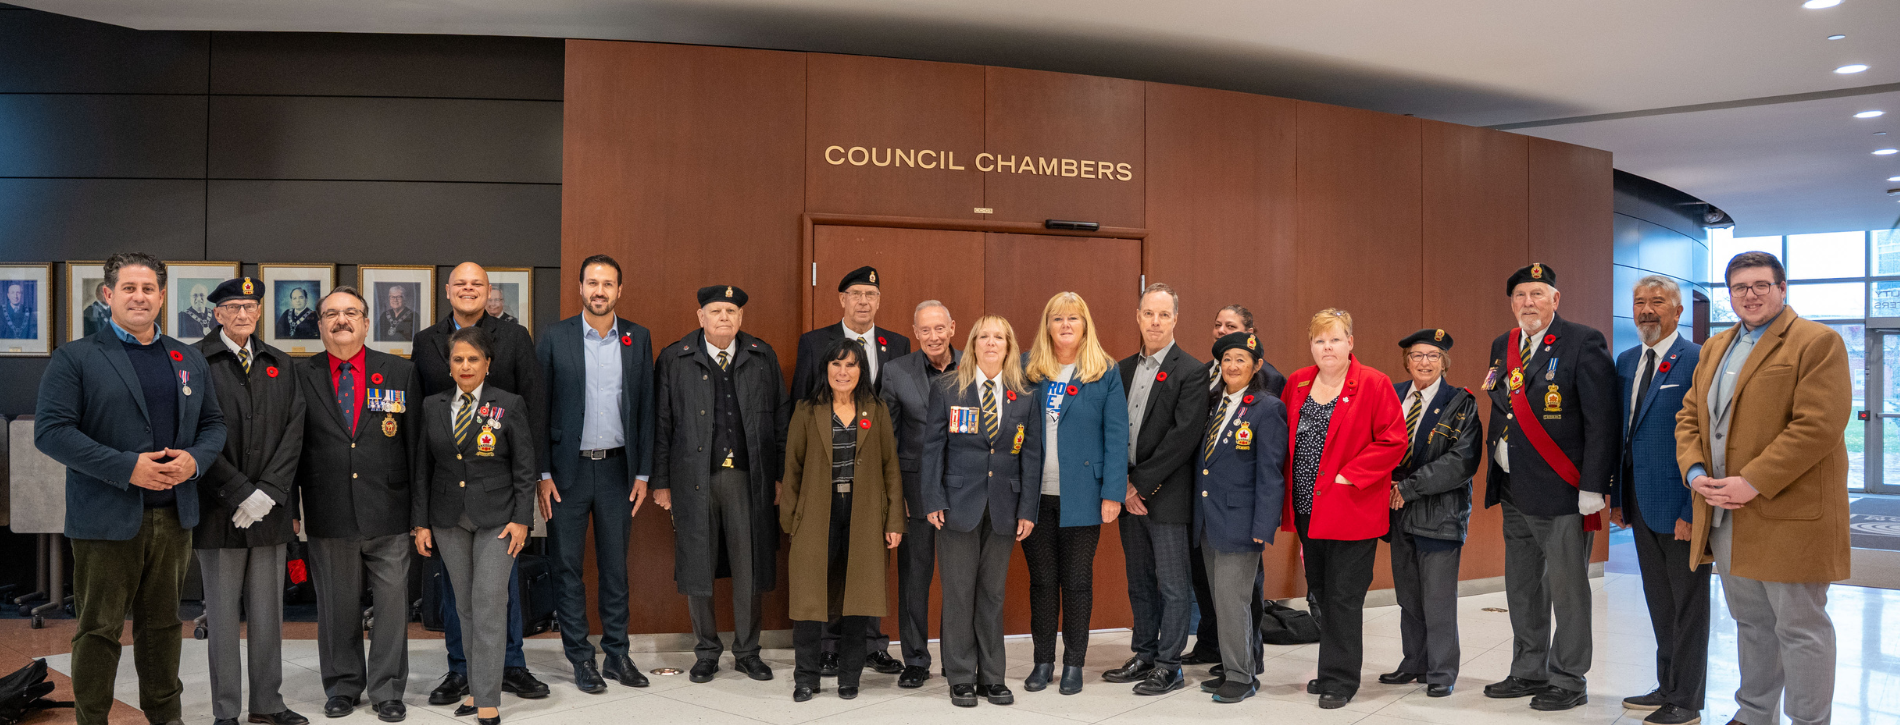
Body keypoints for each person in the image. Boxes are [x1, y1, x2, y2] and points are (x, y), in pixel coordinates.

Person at [34, 252, 226, 725]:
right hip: (105, 518)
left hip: (174, 516)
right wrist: (127, 468)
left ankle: (167, 718)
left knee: (163, 628)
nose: (139, 296)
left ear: (162, 297)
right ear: (108, 295)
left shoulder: (189, 358)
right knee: (98, 630)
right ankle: (92, 719)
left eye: (148, 289)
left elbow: (214, 425)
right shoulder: (76, 358)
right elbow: (52, 431)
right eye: (128, 288)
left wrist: (195, 460)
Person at [1678, 252, 1851, 725]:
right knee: (1752, 624)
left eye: (1760, 285)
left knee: (1800, 628)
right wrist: (1695, 473)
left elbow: (1817, 427)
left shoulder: (1817, 342)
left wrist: (1752, 482)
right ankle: (1753, 715)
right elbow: (1690, 417)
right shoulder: (1715, 347)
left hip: (1789, 516)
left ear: (1782, 288)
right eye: (1739, 288)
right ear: (1729, 294)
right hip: (1727, 515)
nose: (1749, 295)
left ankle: (1810, 721)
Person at [1479, 262, 1618, 712]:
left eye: (1538, 294)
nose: (1528, 303)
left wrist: (1594, 486)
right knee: (1522, 586)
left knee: (1567, 589)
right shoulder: (1505, 344)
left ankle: (1568, 677)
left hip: (1562, 490)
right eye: (1520, 296)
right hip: (1513, 488)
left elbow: (1602, 421)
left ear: (1555, 300)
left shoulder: (1583, 341)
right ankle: (1528, 669)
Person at [412, 262, 549, 704]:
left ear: (489, 292)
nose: (468, 290)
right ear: (448, 291)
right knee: (457, 593)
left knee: (497, 589)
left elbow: (533, 407)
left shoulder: (514, 337)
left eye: (477, 284)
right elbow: (421, 420)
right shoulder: (425, 341)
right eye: (461, 284)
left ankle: (508, 666)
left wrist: (536, 483)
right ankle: (461, 670)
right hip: (450, 493)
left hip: (499, 486)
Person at [294, 286, 422, 723]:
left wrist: (419, 515)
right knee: (336, 606)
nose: (341, 320)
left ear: (367, 323)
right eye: (331, 314)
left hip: (389, 509)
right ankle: (343, 686)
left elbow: (415, 448)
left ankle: (388, 689)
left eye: (351, 313)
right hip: (328, 509)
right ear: (320, 323)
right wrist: (292, 510)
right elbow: (291, 449)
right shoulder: (300, 375)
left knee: (391, 606)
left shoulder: (399, 372)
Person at [653, 285, 789, 683]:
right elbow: (662, 425)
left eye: (731, 310)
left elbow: (781, 422)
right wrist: (661, 482)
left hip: (749, 480)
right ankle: (707, 651)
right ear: (701, 317)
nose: (724, 317)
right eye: (716, 310)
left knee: (749, 566)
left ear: (741, 318)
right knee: (699, 564)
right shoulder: (675, 358)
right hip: (694, 479)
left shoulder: (762, 357)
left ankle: (748, 651)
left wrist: (779, 476)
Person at [533, 255, 655, 691]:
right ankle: (581, 659)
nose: (599, 291)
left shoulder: (637, 339)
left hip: (620, 469)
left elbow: (646, 408)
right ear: (580, 288)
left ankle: (617, 656)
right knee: (566, 567)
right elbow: (538, 407)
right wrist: (542, 473)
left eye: (607, 284)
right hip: (567, 474)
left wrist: (643, 474)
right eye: (592, 283)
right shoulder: (554, 337)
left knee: (615, 568)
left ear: (619, 290)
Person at [192, 276, 309, 725]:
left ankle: (267, 704)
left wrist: (270, 493)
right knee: (221, 619)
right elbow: (196, 435)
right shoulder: (195, 361)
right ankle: (226, 711)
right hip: (218, 508)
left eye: (250, 307)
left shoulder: (278, 361)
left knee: (268, 616)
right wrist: (240, 491)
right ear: (217, 313)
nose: (243, 315)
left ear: (260, 311)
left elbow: (293, 430)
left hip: (270, 511)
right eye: (233, 307)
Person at [1280, 309, 1407, 709]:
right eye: (1319, 341)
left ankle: (1341, 679)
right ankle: (1329, 668)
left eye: (1334, 339)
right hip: (1307, 510)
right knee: (1320, 592)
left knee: (1344, 596)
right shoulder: (1299, 382)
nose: (1327, 347)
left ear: (1350, 342)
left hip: (1352, 509)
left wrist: (1350, 475)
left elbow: (1393, 440)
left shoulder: (1373, 383)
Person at [789, 265, 909, 674]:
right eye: (855, 293)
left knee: (866, 567)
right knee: (824, 567)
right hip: (825, 477)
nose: (863, 301)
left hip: (873, 474)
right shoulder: (814, 342)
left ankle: (872, 645)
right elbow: (801, 408)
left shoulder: (898, 344)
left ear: (878, 300)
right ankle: (827, 646)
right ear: (841, 299)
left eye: (871, 294)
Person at [920, 314, 1039, 708]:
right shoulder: (948, 388)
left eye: (999, 338)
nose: (991, 343)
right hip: (957, 504)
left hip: (1005, 506)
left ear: (1009, 347)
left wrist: (1028, 509)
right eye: (984, 337)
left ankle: (992, 676)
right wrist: (932, 498)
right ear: (971, 344)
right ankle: (959, 676)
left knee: (992, 594)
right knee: (958, 593)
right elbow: (933, 448)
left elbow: (1031, 456)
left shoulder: (1024, 394)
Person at [1607, 275, 1706, 725]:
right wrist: (1617, 498)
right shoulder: (1627, 360)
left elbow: (1706, 440)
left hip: (1680, 506)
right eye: (1640, 302)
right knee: (1659, 602)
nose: (1647, 310)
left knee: (1688, 606)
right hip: (1639, 504)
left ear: (1678, 311)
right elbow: (1620, 435)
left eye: (1657, 302)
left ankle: (1686, 700)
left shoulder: (1697, 360)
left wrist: (1692, 510)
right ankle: (1666, 685)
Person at [782, 339, 904, 701]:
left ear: (861, 371)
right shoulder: (807, 410)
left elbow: (890, 469)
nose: (843, 371)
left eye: (851, 365)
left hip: (864, 513)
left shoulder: (876, 410)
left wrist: (893, 520)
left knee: (858, 598)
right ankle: (806, 677)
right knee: (808, 600)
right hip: (817, 512)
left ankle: (849, 677)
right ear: (826, 370)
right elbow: (792, 468)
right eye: (836, 364)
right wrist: (791, 521)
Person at [1021, 291, 1129, 695]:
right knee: (1042, 581)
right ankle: (1042, 660)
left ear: (1086, 325)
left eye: (1074, 318)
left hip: (1086, 493)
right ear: (1047, 326)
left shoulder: (1104, 371)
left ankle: (1073, 664)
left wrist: (1113, 493)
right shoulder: (1029, 369)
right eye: (1057, 318)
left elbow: (1117, 436)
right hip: (1035, 497)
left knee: (1078, 581)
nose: (1065, 325)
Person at [1104, 283, 1208, 695]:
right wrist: (1121, 486)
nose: (1155, 321)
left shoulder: (1192, 371)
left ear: (1176, 319)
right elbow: (1113, 433)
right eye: (1148, 313)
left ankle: (1170, 664)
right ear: (1138, 316)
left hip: (1164, 497)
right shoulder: (1123, 369)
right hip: (1128, 495)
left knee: (1172, 584)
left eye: (1164, 315)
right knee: (1139, 581)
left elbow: (1182, 439)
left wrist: (1139, 486)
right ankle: (1144, 653)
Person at [1380, 328, 1481, 698]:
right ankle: (1414, 662)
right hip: (1395, 513)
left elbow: (1461, 461)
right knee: (1408, 596)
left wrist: (1407, 488)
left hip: (1439, 513)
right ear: (1406, 361)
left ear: (1444, 362)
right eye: (1417, 355)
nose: (1424, 362)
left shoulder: (1461, 403)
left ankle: (1441, 671)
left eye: (1432, 356)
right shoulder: (1391, 395)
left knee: (1438, 598)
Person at [1184, 303, 1281, 669]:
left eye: (1241, 359)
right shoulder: (1215, 404)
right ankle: (1230, 667)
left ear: (1256, 365)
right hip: (1210, 521)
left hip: (1241, 524)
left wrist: (1263, 526)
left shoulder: (1266, 407)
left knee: (1235, 601)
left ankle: (1242, 676)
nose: (1232, 366)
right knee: (1220, 601)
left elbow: (1271, 474)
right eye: (1227, 360)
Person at [875, 300, 961, 688]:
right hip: (913, 493)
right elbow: (887, 441)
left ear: (953, 328)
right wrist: (896, 494)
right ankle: (916, 659)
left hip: (963, 490)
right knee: (915, 579)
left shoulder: (975, 366)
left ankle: (957, 657)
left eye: (939, 328)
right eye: (924, 330)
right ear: (915, 333)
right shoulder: (895, 372)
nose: (933, 336)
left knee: (959, 579)